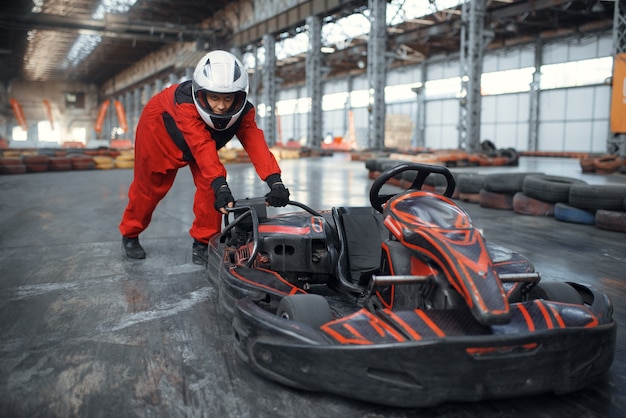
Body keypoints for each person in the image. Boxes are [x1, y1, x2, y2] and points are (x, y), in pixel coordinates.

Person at [119, 50, 290, 265]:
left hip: (202, 142)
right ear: (200, 93)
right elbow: (201, 144)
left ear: (239, 96)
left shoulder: (244, 111)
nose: (221, 106)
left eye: (228, 98)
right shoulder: (185, 104)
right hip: (159, 133)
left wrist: (275, 181)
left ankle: (202, 244)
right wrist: (221, 184)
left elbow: (256, 143)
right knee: (150, 188)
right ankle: (130, 234)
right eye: (214, 97)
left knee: (212, 189)